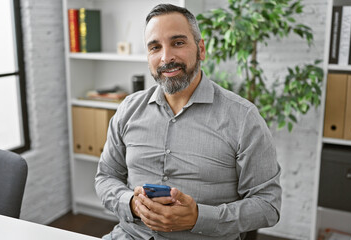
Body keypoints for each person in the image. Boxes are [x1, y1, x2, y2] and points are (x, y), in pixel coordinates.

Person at [95, 3, 281, 240]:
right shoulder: (128, 110)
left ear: (201, 49)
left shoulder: (243, 118)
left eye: (178, 43)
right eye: (155, 47)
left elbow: (269, 205)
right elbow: (105, 177)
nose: (166, 57)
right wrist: (131, 203)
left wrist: (198, 217)